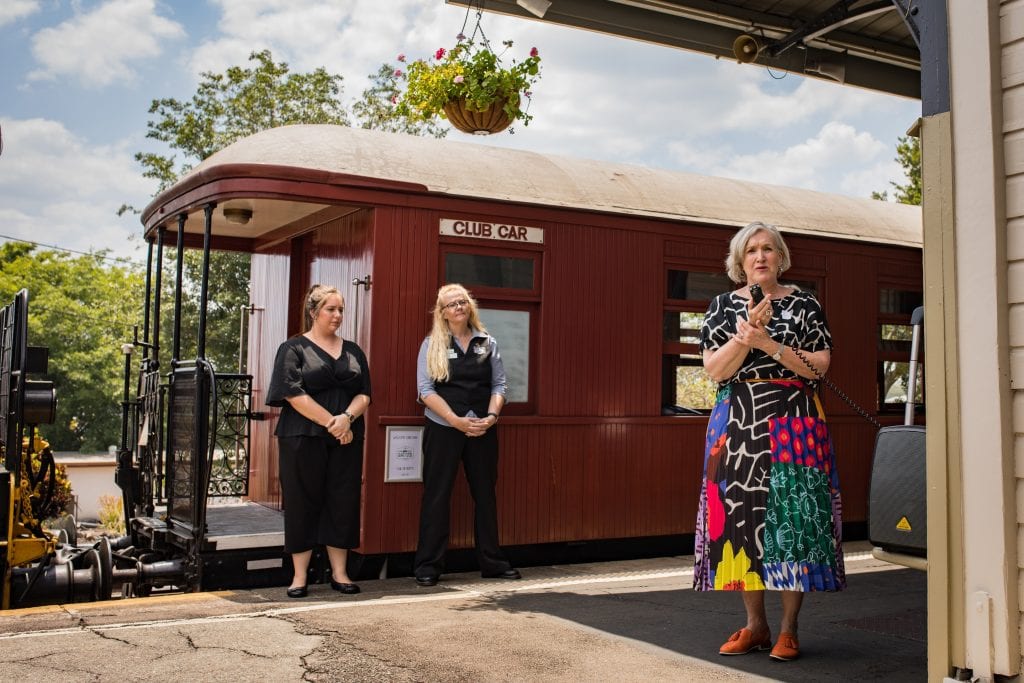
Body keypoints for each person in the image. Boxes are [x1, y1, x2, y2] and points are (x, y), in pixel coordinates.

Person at [694, 221, 844, 662]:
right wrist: (745, 338)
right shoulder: (722, 306)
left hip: (794, 418)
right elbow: (715, 370)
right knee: (743, 521)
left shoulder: (805, 304)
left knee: (795, 522)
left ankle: (788, 630)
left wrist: (769, 343)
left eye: (767, 249)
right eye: (751, 251)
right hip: (736, 423)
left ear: (781, 256)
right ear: (739, 262)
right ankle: (755, 626)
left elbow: (819, 366)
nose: (760, 257)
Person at [266, 284, 371, 598]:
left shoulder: (353, 350)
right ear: (313, 312)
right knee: (302, 502)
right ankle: (299, 577)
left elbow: (365, 393)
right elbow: (293, 394)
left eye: (340, 310)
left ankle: (340, 573)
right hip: (302, 436)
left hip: (347, 437)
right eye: (331, 309)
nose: (337, 315)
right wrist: (332, 422)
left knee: (342, 501)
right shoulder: (293, 348)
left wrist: (347, 419)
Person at [413, 283, 520, 587]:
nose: (459, 307)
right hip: (444, 427)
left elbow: (500, 385)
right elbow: (425, 391)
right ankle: (428, 565)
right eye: (452, 304)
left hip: (482, 429)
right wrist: (453, 419)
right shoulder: (431, 343)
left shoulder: (487, 342)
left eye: (463, 302)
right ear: (443, 313)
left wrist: (491, 417)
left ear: (469, 306)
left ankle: (493, 562)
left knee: (485, 495)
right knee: (437, 495)